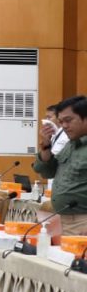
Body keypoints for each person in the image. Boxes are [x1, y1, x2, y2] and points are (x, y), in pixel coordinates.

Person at [34, 95, 87, 234]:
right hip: (62, 220)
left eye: (68, 120)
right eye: (61, 122)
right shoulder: (70, 145)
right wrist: (45, 146)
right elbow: (47, 172)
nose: (64, 126)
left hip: (82, 221)